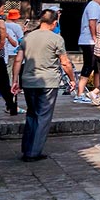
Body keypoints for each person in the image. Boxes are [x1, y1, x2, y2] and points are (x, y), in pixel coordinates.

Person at [10, 9, 75, 162]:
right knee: (43, 116)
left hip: (28, 81)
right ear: (54, 23)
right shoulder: (56, 38)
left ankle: (27, 148)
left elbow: (18, 60)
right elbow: (65, 62)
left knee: (32, 114)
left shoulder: (27, 37)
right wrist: (72, 79)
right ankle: (33, 152)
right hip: (48, 81)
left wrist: (15, 80)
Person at [74, 0, 100, 104]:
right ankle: (79, 94)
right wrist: (95, 37)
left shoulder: (97, 6)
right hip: (89, 41)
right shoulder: (93, 6)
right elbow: (92, 23)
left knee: (97, 67)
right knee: (88, 66)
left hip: (93, 41)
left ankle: (97, 92)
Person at [3, 9, 24, 76]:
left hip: (4, 49)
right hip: (14, 49)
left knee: (6, 68)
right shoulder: (16, 26)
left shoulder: (3, 24)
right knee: (12, 69)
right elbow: (21, 38)